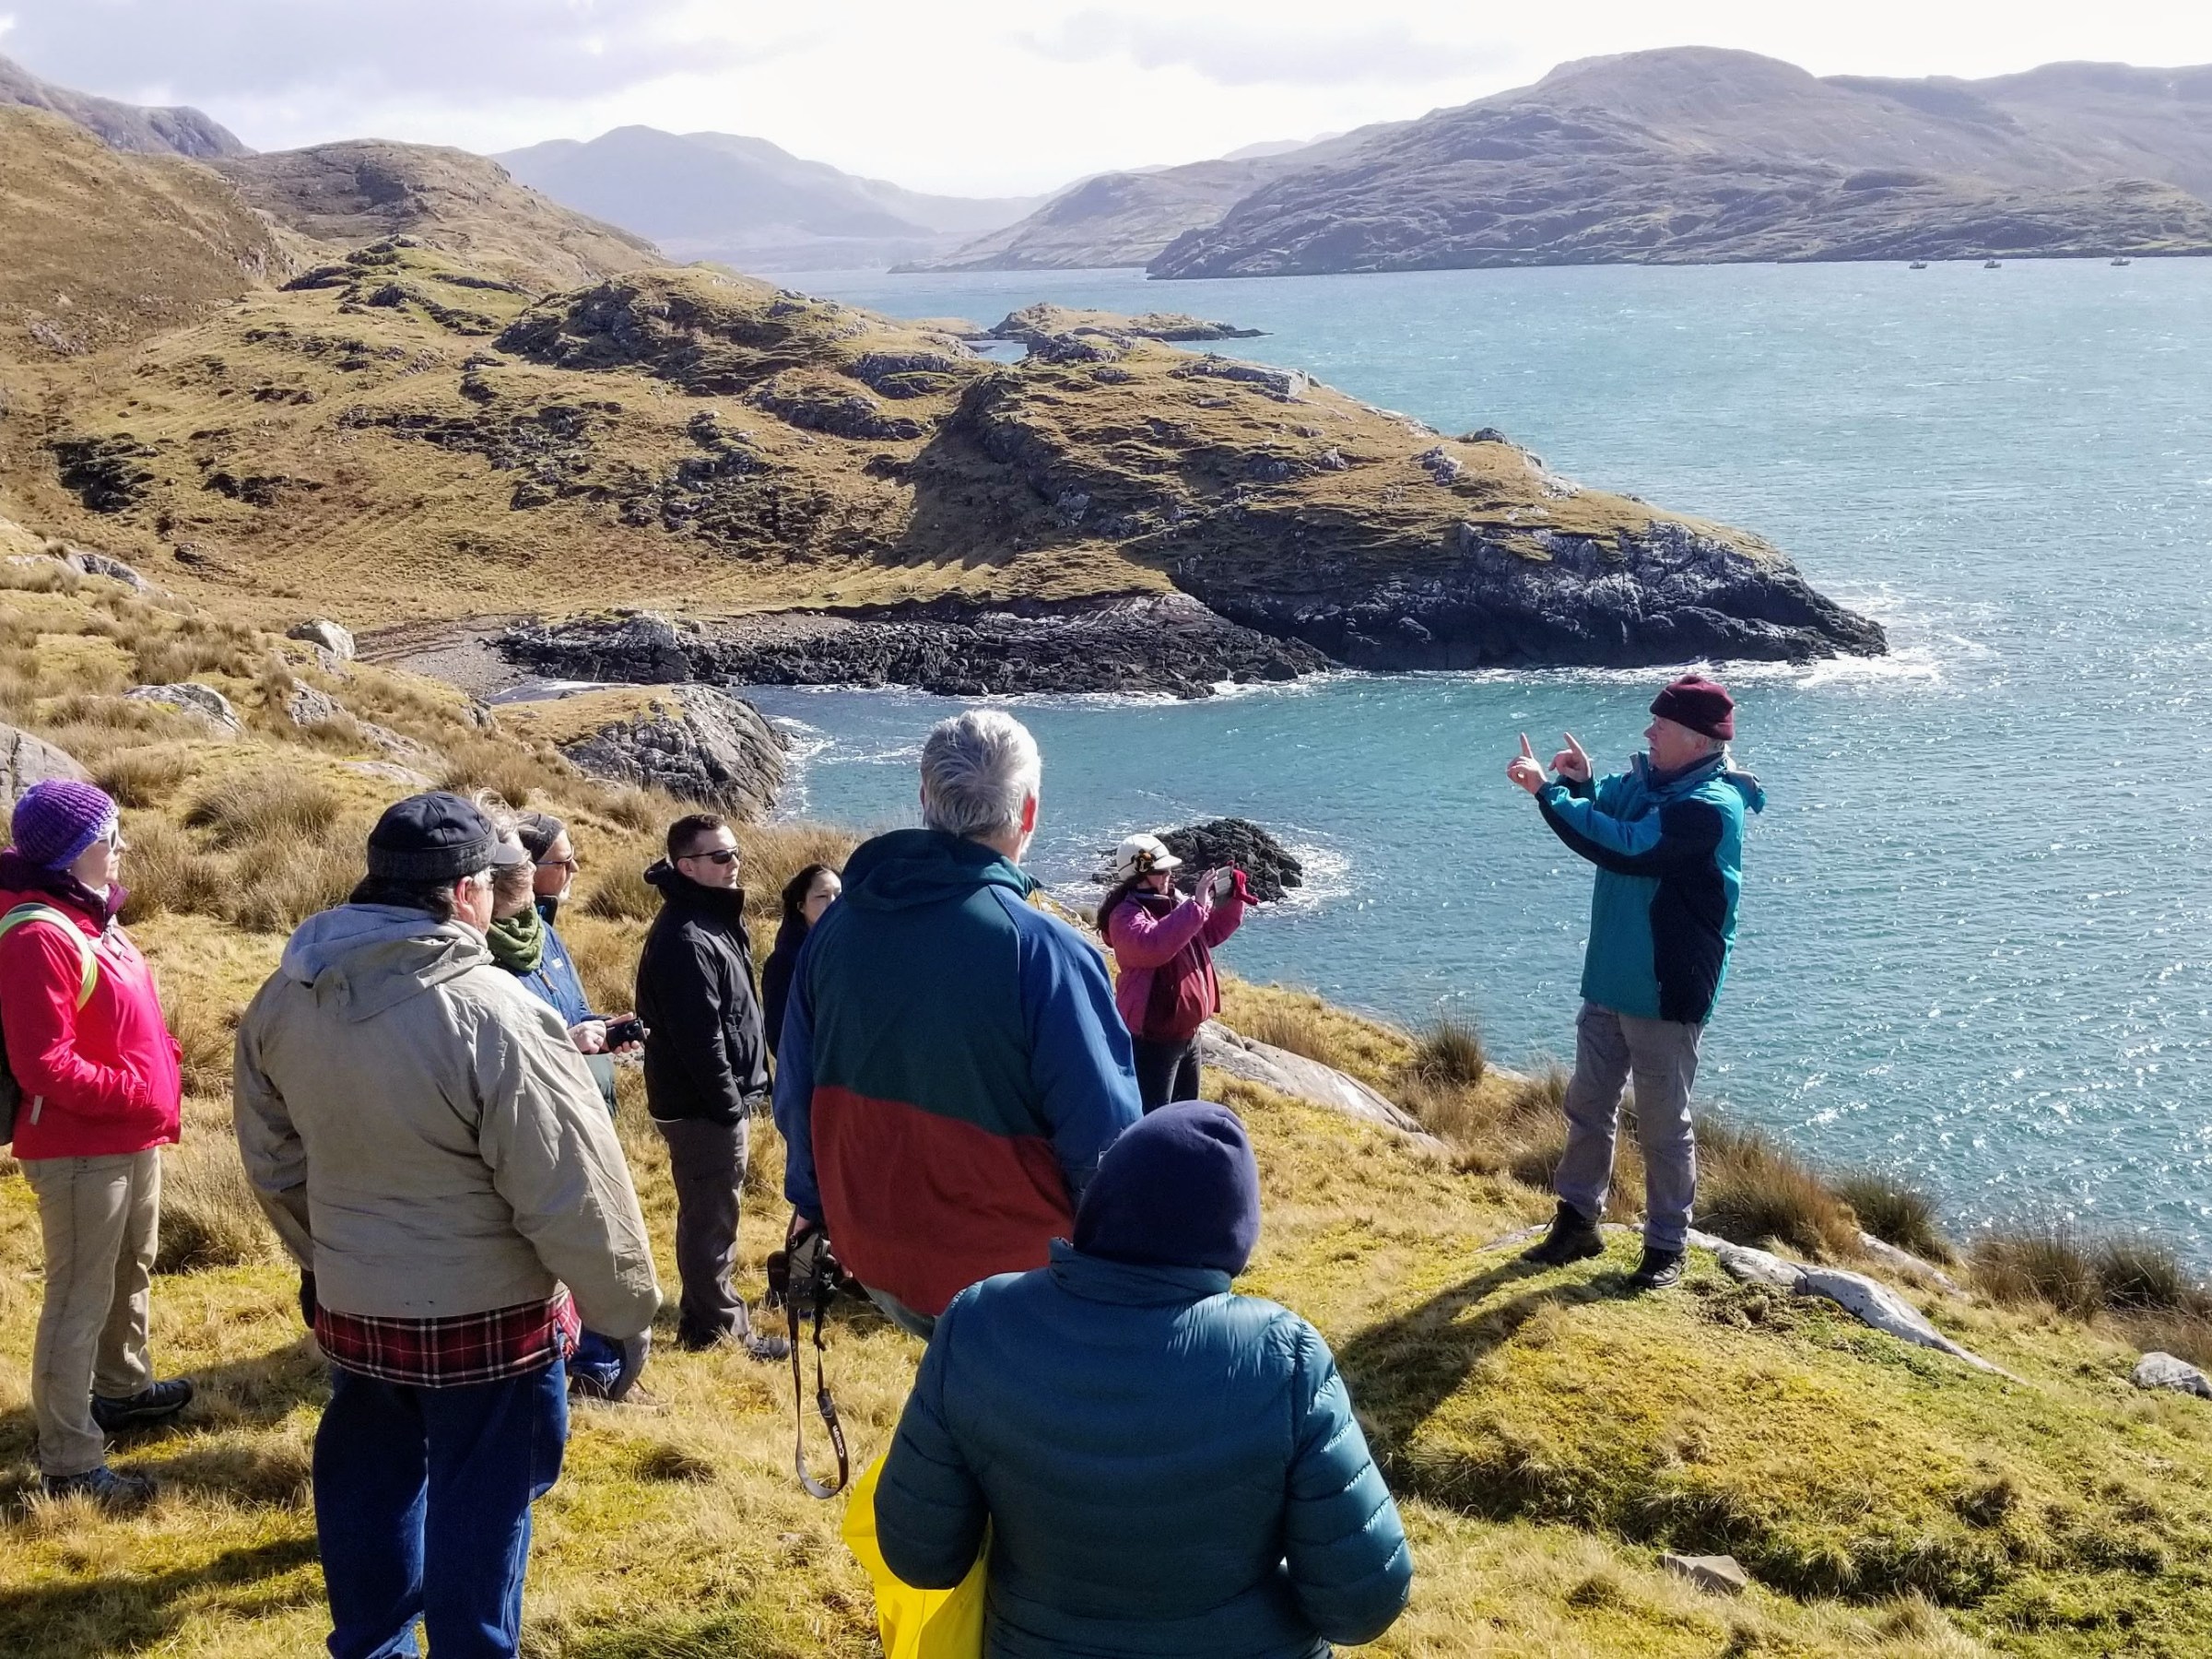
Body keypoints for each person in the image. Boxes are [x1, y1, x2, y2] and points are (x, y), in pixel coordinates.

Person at [232, 792, 660, 1659]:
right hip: (490, 1321)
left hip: (354, 1303)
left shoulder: (284, 998)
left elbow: (273, 1162)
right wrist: (626, 1307)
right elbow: (569, 1185)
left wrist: (331, 1257)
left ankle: (374, 1645)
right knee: (486, 1499)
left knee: (371, 1477)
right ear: (467, 893)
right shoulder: (498, 1013)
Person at [874, 1101, 1413, 1656]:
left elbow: (919, 1555)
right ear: (1235, 1237)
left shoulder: (979, 1322)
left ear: (1103, 1198)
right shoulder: (1287, 1358)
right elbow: (1360, 1606)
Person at [774, 710, 1141, 1341]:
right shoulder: (1043, 950)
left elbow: (798, 1094)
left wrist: (811, 1206)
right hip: (1011, 1275)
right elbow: (1104, 1142)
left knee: (956, 1400)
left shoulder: (834, 930)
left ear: (925, 799)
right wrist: (1123, 1269)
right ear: (1027, 814)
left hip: (880, 1256)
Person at [1506, 676, 1766, 1291]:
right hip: (1611, 977)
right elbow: (1605, 811)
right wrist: (1578, 784)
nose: (1648, 733)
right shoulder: (1653, 782)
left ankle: (1665, 1248)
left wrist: (1547, 793)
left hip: (1664, 988)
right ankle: (1576, 1224)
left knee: (1662, 1121)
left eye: (1661, 727)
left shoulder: (1708, 808)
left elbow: (1627, 847)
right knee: (1589, 1106)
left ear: (1700, 742)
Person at [0, 781, 191, 1508]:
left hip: (128, 1134)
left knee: (130, 1267)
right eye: (112, 839)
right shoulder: (38, 934)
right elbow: (42, 1063)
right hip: (79, 1146)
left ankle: (121, 1389)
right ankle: (71, 1459)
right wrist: (139, 1092)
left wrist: (160, 1069)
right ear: (77, 850)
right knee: (77, 1297)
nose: (123, 850)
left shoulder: (92, 919)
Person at [478, 806, 639, 1401]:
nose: (573, 867)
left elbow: (571, 1013)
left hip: (588, 1102)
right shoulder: (482, 954)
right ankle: (587, 1367)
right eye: (559, 858)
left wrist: (599, 1026)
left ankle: (590, 1353)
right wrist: (564, 1045)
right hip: (541, 1122)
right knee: (564, 1237)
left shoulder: (544, 935)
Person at [634, 812, 784, 1358]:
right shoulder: (685, 935)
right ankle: (718, 1328)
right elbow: (701, 1036)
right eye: (720, 857)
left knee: (712, 1210)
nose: (734, 863)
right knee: (710, 1216)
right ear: (686, 865)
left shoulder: (707, 918)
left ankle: (710, 1316)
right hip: (701, 1107)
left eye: (735, 852)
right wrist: (729, 1106)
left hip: (711, 1102)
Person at [1097, 833, 1249, 1111]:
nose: (1169, 874)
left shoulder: (1175, 902)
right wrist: (1197, 906)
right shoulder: (1125, 915)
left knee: (1185, 1115)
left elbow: (1210, 933)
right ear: (1140, 875)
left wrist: (1233, 900)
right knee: (1155, 1118)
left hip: (1188, 1035)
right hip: (1154, 1040)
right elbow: (1152, 945)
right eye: (1161, 869)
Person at [760, 861, 841, 1061]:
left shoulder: (847, 950)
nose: (833, 903)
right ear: (801, 906)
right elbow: (779, 1037)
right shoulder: (785, 961)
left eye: (839, 895)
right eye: (822, 896)